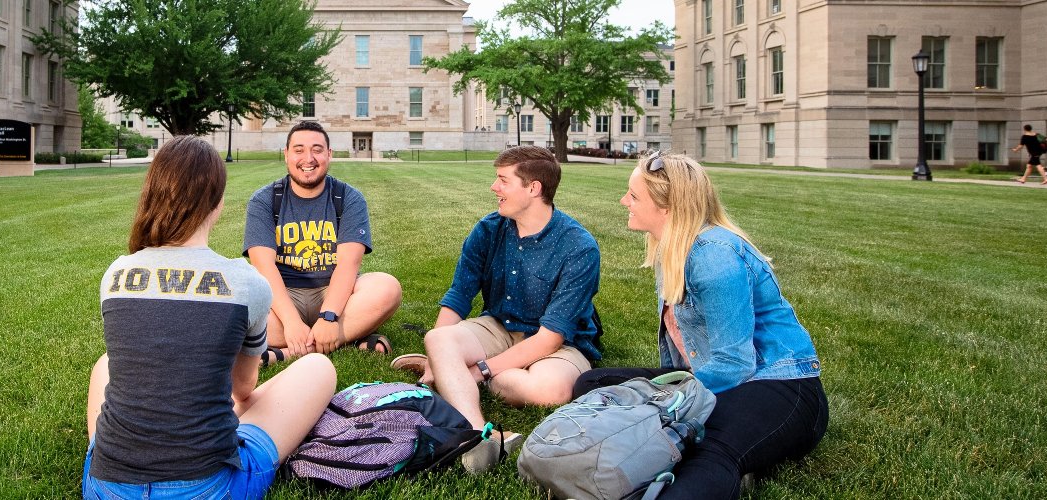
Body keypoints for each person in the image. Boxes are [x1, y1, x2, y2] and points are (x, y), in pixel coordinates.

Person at [83, 136, 337, 500]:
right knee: (318, 369)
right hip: (208, 488)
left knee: (105, 365)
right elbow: (243, 390)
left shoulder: (116, 274)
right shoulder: (247, 281)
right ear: (217, 204)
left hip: (105, 488)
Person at [573, 152, 829, 499]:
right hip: (718, 381)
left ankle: (733, 456)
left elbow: (735, 364)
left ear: (667, 206)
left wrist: (662, 404)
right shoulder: (674, 249)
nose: (624, 201)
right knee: (593, 383)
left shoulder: (713, 255)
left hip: (777, 386)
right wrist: (662, 400)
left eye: (633, 196)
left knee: (711, 453)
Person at [391, 145, 604, 472]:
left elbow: (549, 340)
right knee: (439, 339)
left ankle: (459, 375)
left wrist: (481, 370)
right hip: (499, 327)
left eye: (503, 180)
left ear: (533, 188)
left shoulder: (578, 247)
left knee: (551, 390)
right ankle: (478, 436)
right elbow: (459, 296)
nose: (494, 188)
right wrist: (438, 345)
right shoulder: (488, 229)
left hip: (559, 343)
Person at [243, 121, 403, 365]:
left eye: (317, 150)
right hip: (282, 297)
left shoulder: (349, 197)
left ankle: (287, 351)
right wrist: (291, 321)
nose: (308, 158)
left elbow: (348, 265)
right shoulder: (264, 200)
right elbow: (264, 267)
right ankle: (344, 339)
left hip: (333, 293)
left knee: (387, 288)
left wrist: (328, 317)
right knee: (236, 304)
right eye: (299, 150)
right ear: (286, 155)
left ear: (329, 155)